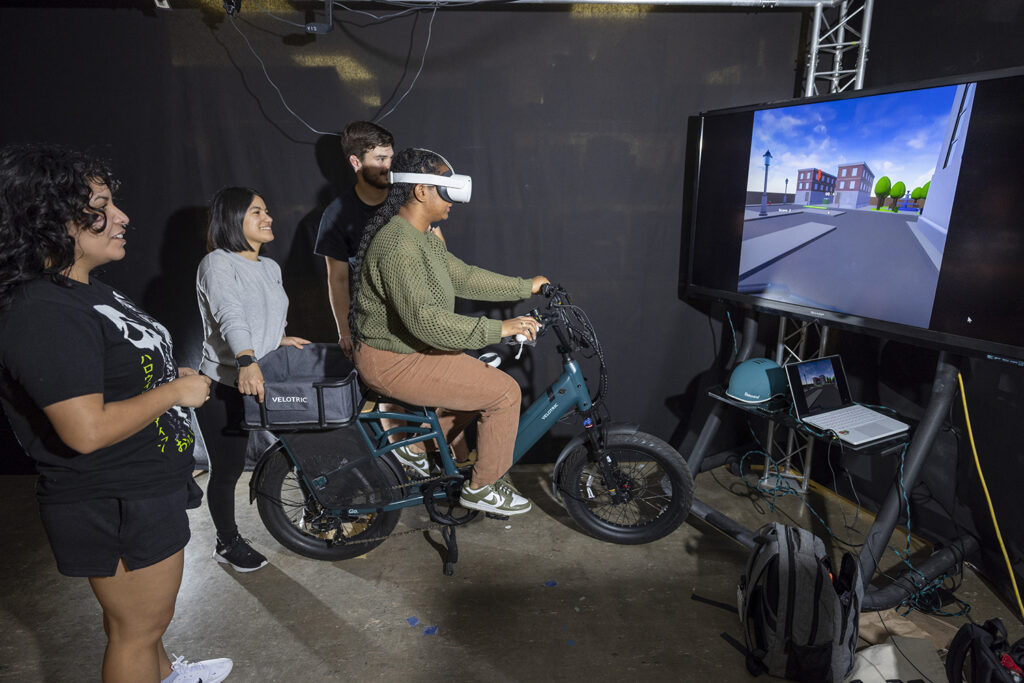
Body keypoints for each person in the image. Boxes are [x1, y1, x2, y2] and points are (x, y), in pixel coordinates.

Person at [0, 143, 232, 683]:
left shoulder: (81, 290)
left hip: (141, 487)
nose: (122, 217)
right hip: (113, 495)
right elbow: (85, 430)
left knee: (142, 624)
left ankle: (169, 674)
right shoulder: (42, 310)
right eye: (101, 207)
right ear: (49, 219)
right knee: (136, 630)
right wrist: (173, 393)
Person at [349, 147, 549, 515]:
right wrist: (501, 327)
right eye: (446, 190)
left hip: (407, 350)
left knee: (479, 382)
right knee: (504, 393)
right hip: (393, 361)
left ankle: (414, 449)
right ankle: (482, 488)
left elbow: (463, 277)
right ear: (421, 191)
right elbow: (425, 321)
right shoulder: (398, 245)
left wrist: (525, 286)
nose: (453, 201)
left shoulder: (420, 235)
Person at [195, 186, 310, 572]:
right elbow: (229, 314)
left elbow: (260, 315)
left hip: (263, 376)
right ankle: (226, 542)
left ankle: (313, 512)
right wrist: (246, 359)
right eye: (257, 212)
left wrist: (277, 338)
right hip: (225, 385)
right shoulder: (217, 263)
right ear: (233, 220)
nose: (269, 217)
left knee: (296, 449)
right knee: (227, 471)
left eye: (267, 210)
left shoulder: (270, 267)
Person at [315, 121, 395, 357]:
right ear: (355, 162)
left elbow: (438, 251)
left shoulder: (407, 198)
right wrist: (345, 332)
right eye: (380, 159)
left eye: (391, 157)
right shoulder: (336, 214)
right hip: (373, 328)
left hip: (416, 316)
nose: (388, 166)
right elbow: (337, 280)